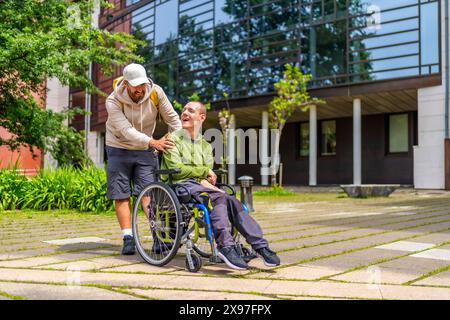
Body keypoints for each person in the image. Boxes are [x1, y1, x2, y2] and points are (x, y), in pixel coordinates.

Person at [160, 101, 280, 270]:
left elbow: (204, 175)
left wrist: (209, 183)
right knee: (218, 196)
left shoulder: (206, 146)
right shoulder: (172, 139)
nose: (184, 113)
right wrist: (205, 174)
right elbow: (177, 170)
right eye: (184, 110)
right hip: (180, 185)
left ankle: (260, 246)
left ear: (202, 117)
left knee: (232, 200)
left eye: (191, 110)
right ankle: (225, 246)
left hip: (199, 185)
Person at [105, 63, 181, 255]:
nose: (140, 90)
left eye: (142, 85)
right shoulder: (113, 100)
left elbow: (173, 119)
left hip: (146, 150)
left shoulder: (156, 92)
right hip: (118, 147)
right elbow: (126, 130)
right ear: (126, 84)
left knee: (149, 193)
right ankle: (128, 237)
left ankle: (158, 236)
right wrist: (153, 142)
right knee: (121, 193)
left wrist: (178, 140)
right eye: (135, 86)